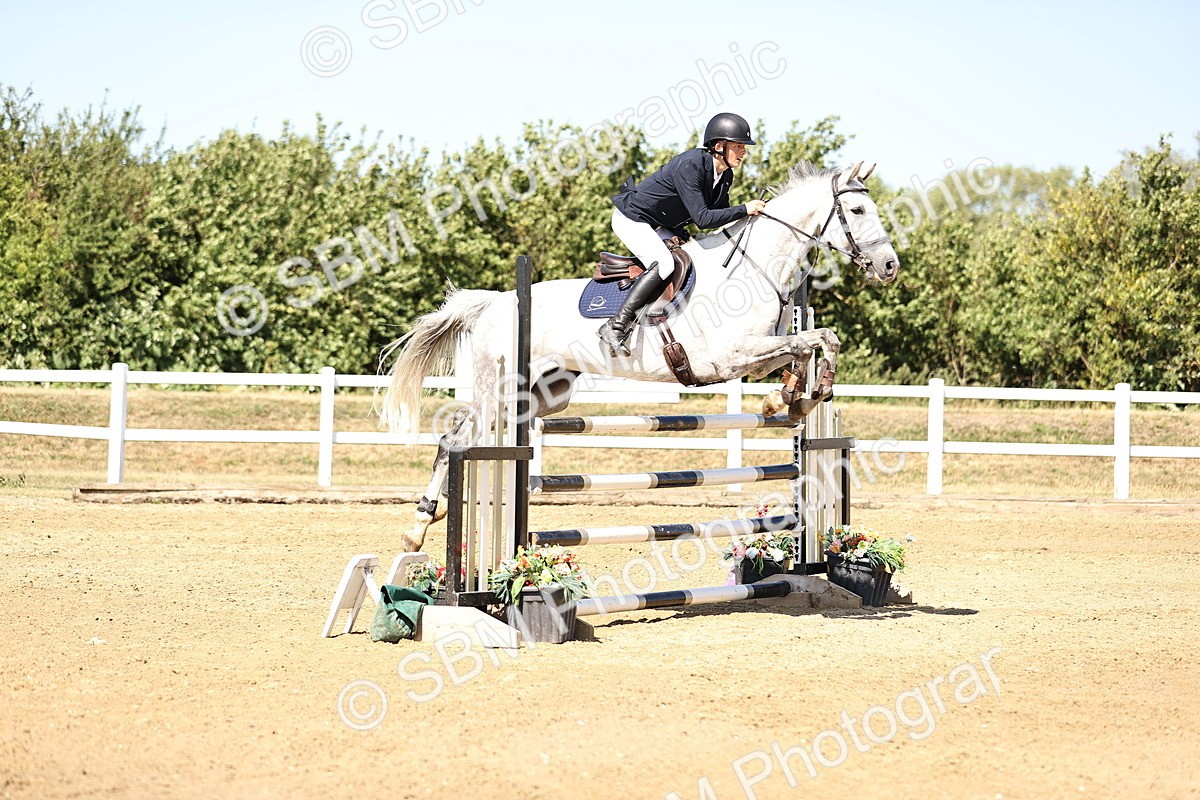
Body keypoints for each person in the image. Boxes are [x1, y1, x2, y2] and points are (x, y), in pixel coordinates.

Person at [599, 112, 768, 356]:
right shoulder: (691, 164)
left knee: (695, 257)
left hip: (661, 223)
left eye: (744, 147)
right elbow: (703, 219)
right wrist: (744, 208)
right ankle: (615, 327)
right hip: (632, 218)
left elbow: (721, 215)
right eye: (738, 146)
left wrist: (752, 216)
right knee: (664, 263)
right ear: (719, 146)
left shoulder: (725, 176)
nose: (744, 152)